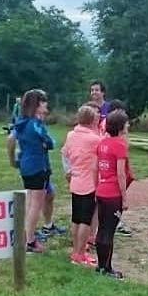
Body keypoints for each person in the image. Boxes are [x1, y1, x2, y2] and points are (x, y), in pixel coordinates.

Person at [8, 89, 56, 253]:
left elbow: (11, 139)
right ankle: (29, 241)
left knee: (30, 202)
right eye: (43, 102)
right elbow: (50, 143)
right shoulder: (35, 124)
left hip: (25, 166)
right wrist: (45, 143)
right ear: (37, 105)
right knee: (36, 204)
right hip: (38, 166)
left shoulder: (21, 122)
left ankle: (25, 234)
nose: (46, 105)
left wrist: (12, 160)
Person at [95, 109, 135, 279]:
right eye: (126, 122)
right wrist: (124, 197)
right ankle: (108, 268)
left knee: (101, 229)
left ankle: (100, 265)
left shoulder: (102, 143)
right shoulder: (120, 144)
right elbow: (120, 173)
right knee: (109, 232)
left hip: (102, 190)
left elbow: (97, 167)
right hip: (113, 194)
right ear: (120, 126)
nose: (128, 125)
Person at [62, 104, 101, 266]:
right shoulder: (95, 139)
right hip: (89, 183)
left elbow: (65, 153)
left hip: (76, 180)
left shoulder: (71, 135)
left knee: (76, 218)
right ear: (92, 120)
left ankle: (75, 251)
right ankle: (80, 253)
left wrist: (69, 170)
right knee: (85, 220)